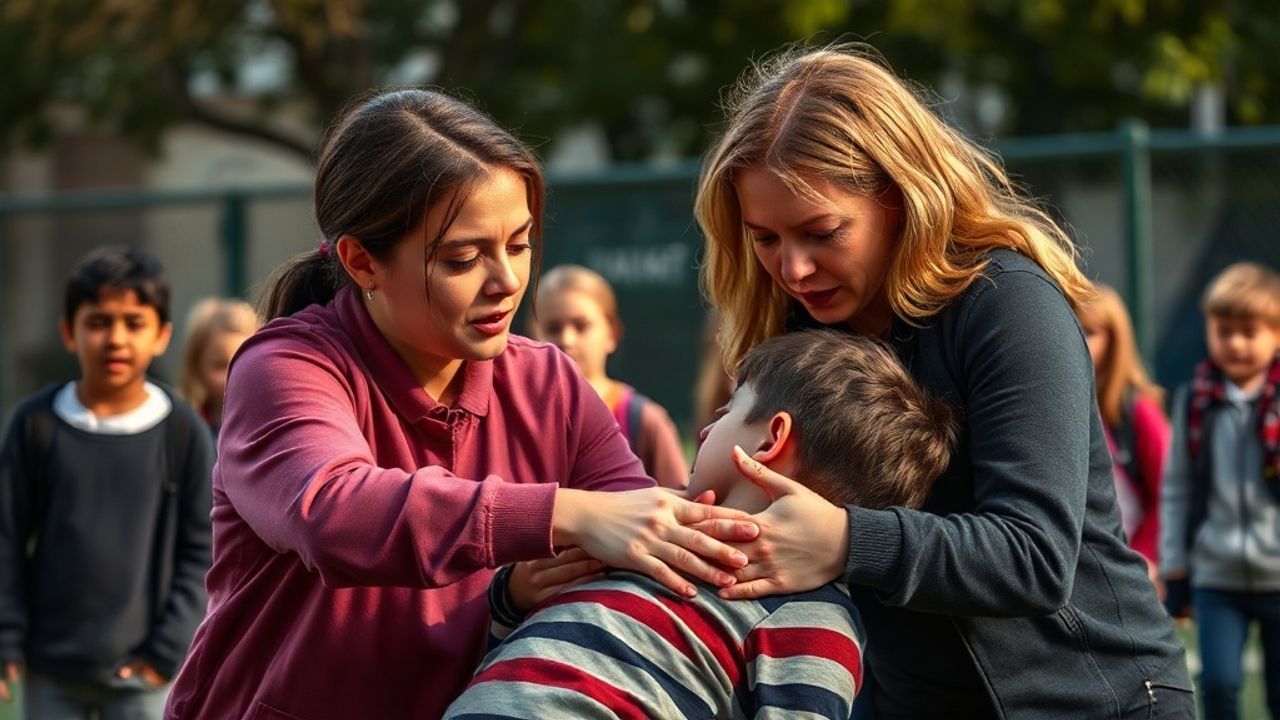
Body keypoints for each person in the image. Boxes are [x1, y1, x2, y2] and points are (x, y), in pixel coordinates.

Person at [162, 89, 756, 720]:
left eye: (520, 245)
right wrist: (567, 513)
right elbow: (331, 511)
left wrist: (816, 534)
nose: (507, 281)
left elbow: (646, 541)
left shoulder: (548, 381)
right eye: (463, 259)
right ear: (362, 262)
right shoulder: (284, 366)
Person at [695, 44, 1194, 718]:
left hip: (1099, 700)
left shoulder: (1007, 303)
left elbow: (1036, 557)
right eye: (765, 239)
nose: (794, 268)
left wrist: (847, 539)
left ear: (899, 198)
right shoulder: (794, 331)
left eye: (822, 232)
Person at [443, 329, 955, 719]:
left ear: (771, 439)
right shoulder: (639, 535)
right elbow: (509, 655)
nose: (707, 427)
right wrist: (515, 596)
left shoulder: (811, 616)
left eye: (729, 410)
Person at [0, 246, 214, 719]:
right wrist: (6, 635)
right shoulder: (35, 424)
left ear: (162, 335)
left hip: (145, 675)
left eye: (134, 323)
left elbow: (203, 550)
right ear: (69, 332)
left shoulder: (182, 431)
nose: (116, 338)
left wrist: (165, 653)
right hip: (49, 670)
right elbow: (6, 539)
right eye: (98, 322)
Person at [1161, 262, 1280, 720]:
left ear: (1274, 335)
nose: (1236, 343)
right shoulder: (1195, 400)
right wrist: (1175, 563)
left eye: (1249, 332)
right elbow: (1177, 486)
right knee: (1219, 684)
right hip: (1216, 576)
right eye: (1224, 331)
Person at [531, 264, 688, 489]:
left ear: (612, 334)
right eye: (553, 328)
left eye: (581, 326)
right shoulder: (520, 415)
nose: (566, 340)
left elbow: (680, 503)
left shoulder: (644, 420)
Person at [1076, 283, 1170, 585]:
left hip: (1131, 565)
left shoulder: (1138, 411)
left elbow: (1169, 490)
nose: (1078, 341)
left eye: (1089, 332)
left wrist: (1146, 557)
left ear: (1115, 341)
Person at [179, 297, 260, 434]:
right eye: (220, 366)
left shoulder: (269, 423)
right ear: (197, 367)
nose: (233, 376)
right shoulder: (186, 427)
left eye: (243, 364)